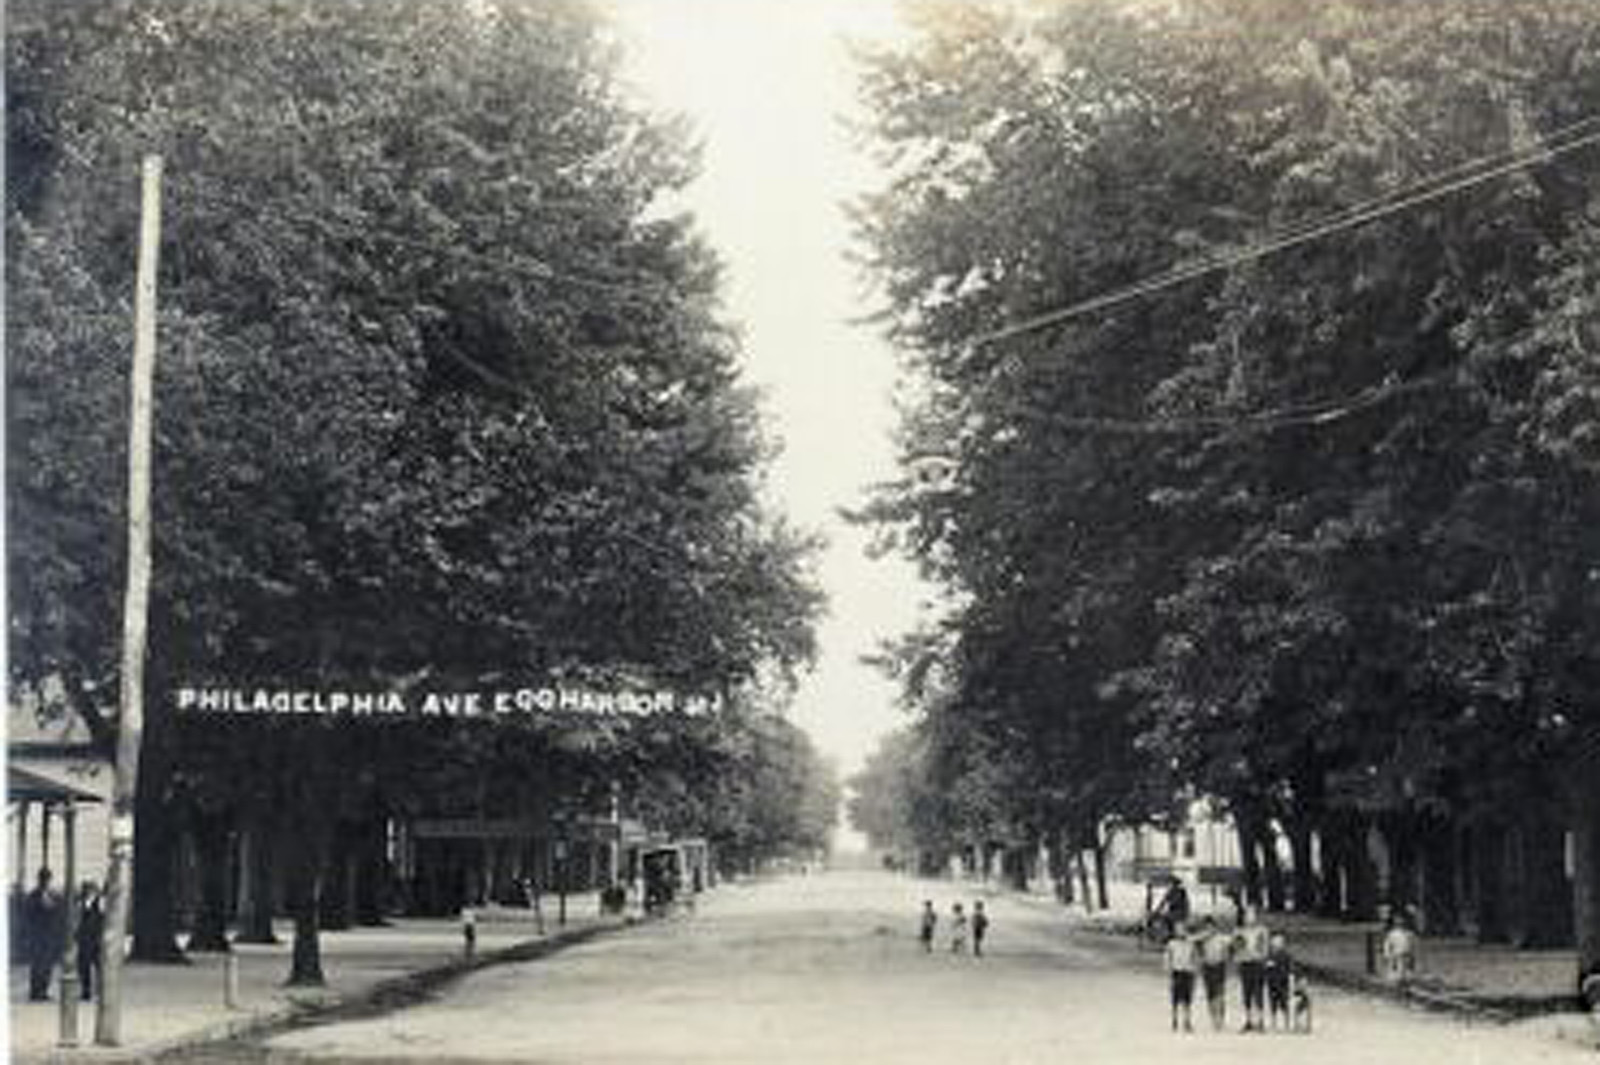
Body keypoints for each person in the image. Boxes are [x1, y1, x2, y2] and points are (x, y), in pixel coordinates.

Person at [23, 868, 62, 1001]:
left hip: (49, 936)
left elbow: (57, 913)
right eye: (44, 879)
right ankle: (35, 992)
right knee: (37, 965)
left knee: (47, 965)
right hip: (37, 936)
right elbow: (28, 915)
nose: (45, 882)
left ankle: (43, 991)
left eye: (47, 879)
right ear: (39, 879)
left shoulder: (53, 895)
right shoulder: (33, 896)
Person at [1234, 906, 1270, 1032]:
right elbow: (1237, 949)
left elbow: (1265, 949)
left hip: (1257, 964)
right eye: (1247, 915)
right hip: (1245, 964)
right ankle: (1248, 1020)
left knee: (1258, 992)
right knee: (1247, 992)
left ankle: (1260, 1020)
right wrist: (1240, 957)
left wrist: (1261, 957)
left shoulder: (1262, 931)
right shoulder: (1240, 931)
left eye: (1252, 914)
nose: (1249, 918)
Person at [1197, 915, 1233, 1031]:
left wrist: (1227, 955)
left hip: (1219, 966)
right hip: (1207, 966)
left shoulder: (1222, 938)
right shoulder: (1202, 938)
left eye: (1211, 927)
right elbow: (1191, 940)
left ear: (1215, 927)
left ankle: (1220, 1018)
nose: (1209, 929)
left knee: (1220, 993)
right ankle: (1213, 1017)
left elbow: (1234, 942)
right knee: (1210, 994)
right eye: (1207, 927)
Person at [1164, 922, 1198, 1033]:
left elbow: (1194, 957)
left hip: (1188, 972)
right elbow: (1167, 958)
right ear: (1175, 931)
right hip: (1176, 972)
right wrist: (1168, 971)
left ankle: (1187, 1020)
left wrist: (1194, 969)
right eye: (1178, 929)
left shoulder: (1190, 943)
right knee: (1175, 997)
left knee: (1187, 998)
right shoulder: (1171, 944)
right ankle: (1175, 1019)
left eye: (1182, 929)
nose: (1180, 931)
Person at [76, 881, 104, 1001]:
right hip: (84, 940)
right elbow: (77, 920)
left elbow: (103, 917)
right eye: (87, 891)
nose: (89, 893)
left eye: (91, 891)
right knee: (84, 967)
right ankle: (86, 991)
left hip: (96, 939)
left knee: (99, 967)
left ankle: (99, 991)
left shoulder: (100, 903)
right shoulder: (80, 903)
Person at [1265, 930, 1293, 1032]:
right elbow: (1265, 969)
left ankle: (1287, 1023)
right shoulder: (1269, 955)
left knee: (1284, 1003)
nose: (1276, 943)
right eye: (1274, 941)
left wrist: (1290, 980)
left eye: (1279, 941)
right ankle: (1274, 1023)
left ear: (1283, 943)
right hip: (1271, 982)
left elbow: (1290, 970)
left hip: (1283, 982)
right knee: (1273, 1003)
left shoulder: (1286, 955)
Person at [1381, 913, 1417, 985]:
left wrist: (1412, 954)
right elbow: (1387, 945)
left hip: (1406, 954)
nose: (1400, 925)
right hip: (1396, 954)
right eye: (1398, 924)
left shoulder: (1409, 934)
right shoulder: (1392, 934)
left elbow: (1411, 944)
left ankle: (1406, 981)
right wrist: (1387, 954)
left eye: (1402, 923)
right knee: (1396, 969)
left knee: (1407, 970)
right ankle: (1396, 982)